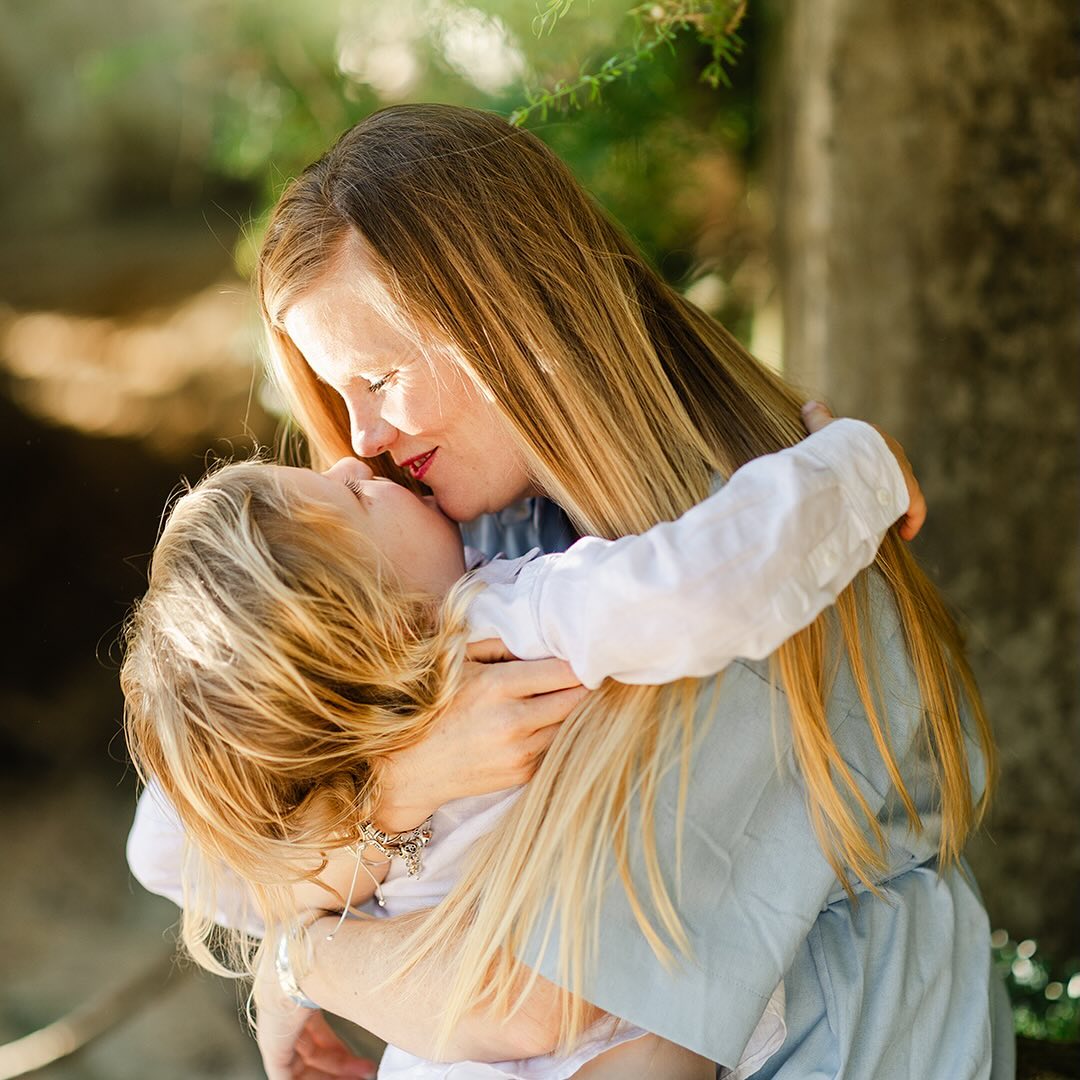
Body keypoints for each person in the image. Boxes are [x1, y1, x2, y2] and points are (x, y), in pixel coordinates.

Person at [129, 103, 1011, 1079]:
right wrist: (392, 791)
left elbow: (529, 998)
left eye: (378, 377)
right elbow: (182, 842)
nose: (362, 441)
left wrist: (300, 957)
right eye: (340, 396)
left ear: (510, 323)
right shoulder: (473, 537)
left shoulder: (727, 590)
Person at [123, 424, 906, 1080]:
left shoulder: (309, 743)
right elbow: (688, 589)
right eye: (356, 498)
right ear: (381, 615)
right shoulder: (501, 619)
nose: (355, 458)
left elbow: (164, 853)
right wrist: (849, 469)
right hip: (601, 1033)